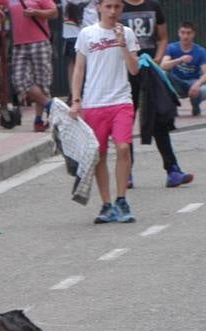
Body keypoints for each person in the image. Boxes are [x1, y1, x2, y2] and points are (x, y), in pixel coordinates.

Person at [71, 0, 139, 224]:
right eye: (108, 6)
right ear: (99, 7)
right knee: (99, 155)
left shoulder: (127, 33)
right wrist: (76, 100)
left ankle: (122, 199)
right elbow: (79, 68)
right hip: (94, 103)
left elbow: (134, 69)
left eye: (117, 7)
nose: (112, 11)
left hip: (121, 101)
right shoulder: (87, 34)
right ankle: (107, 204)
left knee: (122, 147)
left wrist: (122, 45)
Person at [119, 0, 191, 187]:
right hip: (126, 72)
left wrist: (157, 59)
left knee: (159, 117)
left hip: (150, 70)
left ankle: (172, 170)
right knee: (126, 120)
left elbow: (163, 37)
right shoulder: (118, 6)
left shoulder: (153, 6)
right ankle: (126, 173)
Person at [4, 0, 57, 132]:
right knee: (18, 80)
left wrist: (36, 12)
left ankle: (38, 120)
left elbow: (54, 13)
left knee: (42, 84)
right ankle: (51, 106)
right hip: (19, 45)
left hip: (39, 42)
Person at [160, 21, 206, 116]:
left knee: (204, 90)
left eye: (188, 33)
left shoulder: (200, 51)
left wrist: (197, 84)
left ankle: (195, 106)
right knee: (162, 73)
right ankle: (172, 106)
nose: (185, 36)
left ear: (193, 34)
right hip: (176, 82)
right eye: (182, 33)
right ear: (178, 33)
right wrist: (179, 60)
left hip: (192, 82)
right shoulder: (172, 47)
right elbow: (163, 65)